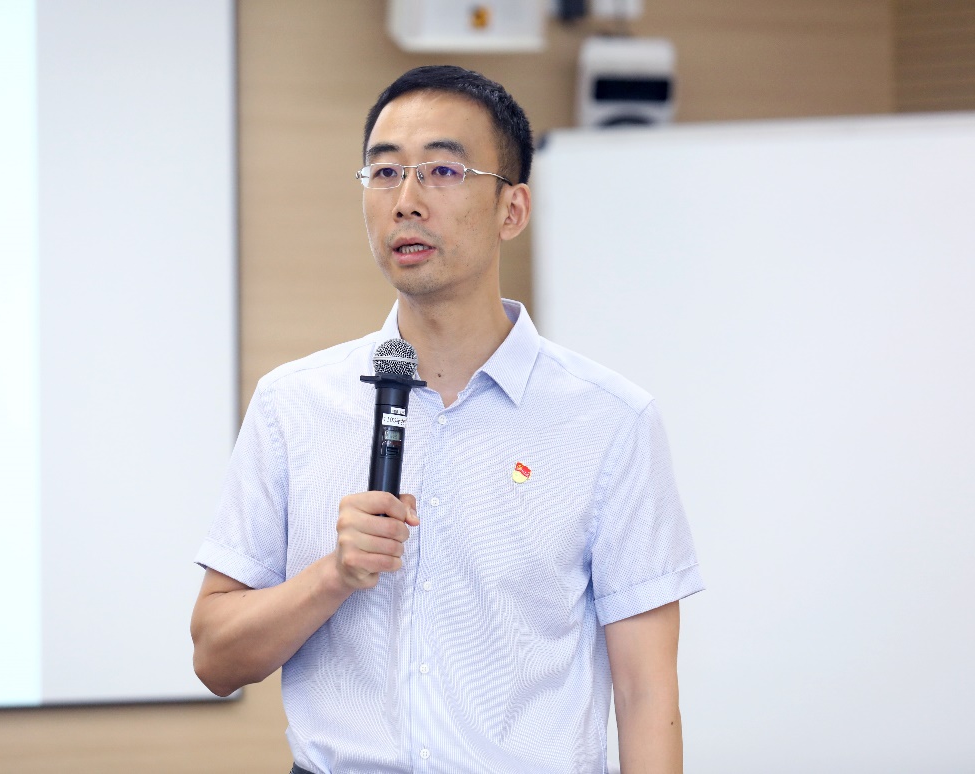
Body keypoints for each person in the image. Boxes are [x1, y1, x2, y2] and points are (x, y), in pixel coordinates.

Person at [191, 65, 704, 774]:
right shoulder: (292, 404)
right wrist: (333, 575)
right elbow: (215, 660)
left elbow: (647, 694)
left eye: (442, 171)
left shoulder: (610, 421)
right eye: (384, 173)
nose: (406, 201)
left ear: (512, 210)